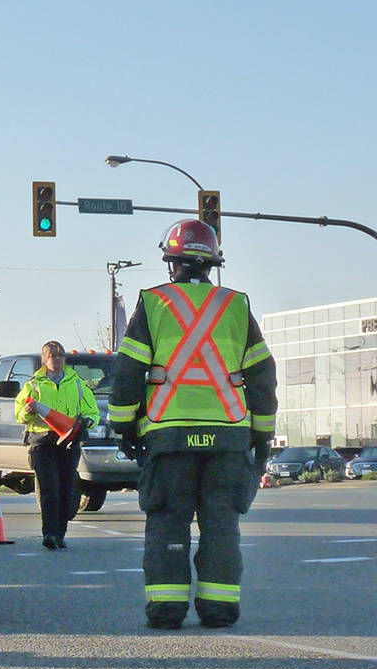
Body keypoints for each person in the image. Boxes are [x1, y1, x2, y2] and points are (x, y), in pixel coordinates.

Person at [109, 219, 277, 630]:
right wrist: (263, 434)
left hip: (168, 436)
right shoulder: (235, 305)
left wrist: (124, 426)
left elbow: (129, 370)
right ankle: (219, 608)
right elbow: (261, 374)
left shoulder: (153, 303)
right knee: (221, 524)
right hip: (229, 436)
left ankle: (166, 609)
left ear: (172, 263)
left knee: (168, 519)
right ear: (212, 263)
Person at [14, 341, 99, 550]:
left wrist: (87, 421)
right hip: (42, 441)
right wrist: (29, 411)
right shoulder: (33, 385)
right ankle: (49, 533)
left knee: (66, 488)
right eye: (52, 355)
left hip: (69, 442)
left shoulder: (77, 383)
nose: (57, 358)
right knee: (49, 488)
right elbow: (19, 414)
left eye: (60, 355)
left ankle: (60, 534)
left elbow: (93, 412)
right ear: (44, 359)